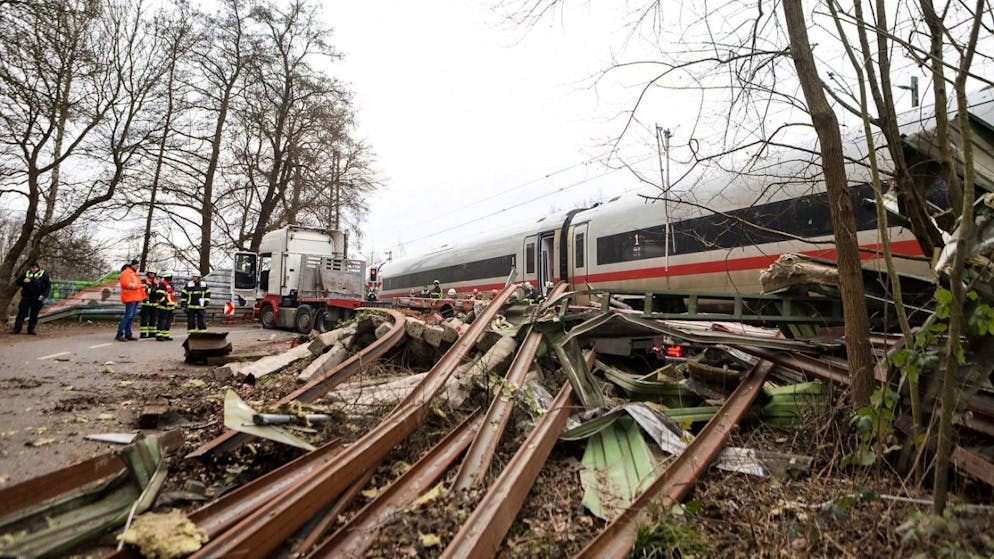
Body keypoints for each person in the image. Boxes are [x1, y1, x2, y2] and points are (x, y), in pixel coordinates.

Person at [11, 261, 51, 335]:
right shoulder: (26, 273)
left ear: (38, 268)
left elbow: (48, 286)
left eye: (35, 268)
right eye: (32, 268)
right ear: (30, 268)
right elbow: (18, 282)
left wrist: (44, 295)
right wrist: (23, 281)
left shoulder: (43, 274)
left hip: (38, 297)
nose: (33, 269)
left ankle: (31, 329)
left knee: (34, 313)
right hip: (26, 296)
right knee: (22, 312)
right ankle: (17, 329)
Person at [116, 259, 145, 341]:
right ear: (132, 265)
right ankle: (120, 334)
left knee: (131, 316)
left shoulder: (133, 273)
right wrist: (139, 286)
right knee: (128, 316)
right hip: (130, 297)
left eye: (138, 266)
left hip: (135, 297)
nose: (138, 267)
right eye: (136, 266)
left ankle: (128, 334)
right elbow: (126, 284)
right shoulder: (126, 273)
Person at [155, 271, 177, 341]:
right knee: (162, 321)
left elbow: (172, 296)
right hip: (163, 306)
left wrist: (174, 304)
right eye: (171, 277)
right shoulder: (162, 283)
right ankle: (159, 335)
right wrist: (164, 302)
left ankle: (165, 335)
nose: (172, 279)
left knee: (168, 321)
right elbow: (159, 295)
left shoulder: (170, 285)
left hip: (170, 306)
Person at [139, 271, 159, 338]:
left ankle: (152, 333)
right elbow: (143, 291)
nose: (152, 274)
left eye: (153, 273)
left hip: (154, 304)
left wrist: (155, 291)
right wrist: (152, 290)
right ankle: (143, 333)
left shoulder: (157, 282)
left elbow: (159, 291)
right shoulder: (144, 281)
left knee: (153, 319)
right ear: (148, 274)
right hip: (146, 303)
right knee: (145, 319)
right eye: (150, 273)